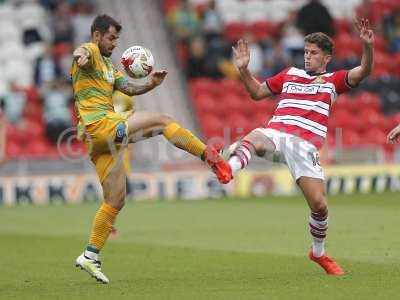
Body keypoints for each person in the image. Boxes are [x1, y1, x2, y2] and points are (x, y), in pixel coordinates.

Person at [72, 14, 232, 284]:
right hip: (101, 125)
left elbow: (128, 89)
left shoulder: (110, 67)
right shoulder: (89, 51)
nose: (114, 43)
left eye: (117, 39)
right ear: (97, 35)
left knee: (115, 200)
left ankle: (90, 255)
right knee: (163, 122)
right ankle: (211, 157)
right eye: (110, 37)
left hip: (98, 138)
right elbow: (80, 52)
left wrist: (151, 84)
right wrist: (81, 57)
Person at [226, 19, 374, 275]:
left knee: (319, 205)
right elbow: (257, 93)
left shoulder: (333, 80)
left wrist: (368, 48)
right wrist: (243, 70)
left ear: (326, 57)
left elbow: (363, 71)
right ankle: (228, 168)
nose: (307, 57)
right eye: (306, 52)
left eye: (313, 53)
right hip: (278, 133)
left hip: (305, 147)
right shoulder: (289, 74)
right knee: (258, 137)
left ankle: (318, 253)